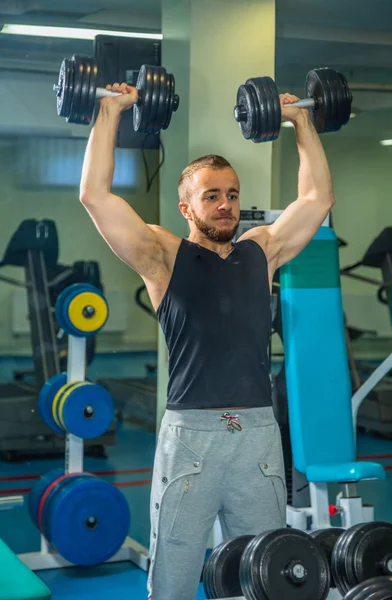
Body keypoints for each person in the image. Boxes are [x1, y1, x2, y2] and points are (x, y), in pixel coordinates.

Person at [79, 81, 335, 600]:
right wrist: (109, 112)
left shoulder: (261, 252)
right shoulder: (163, 256)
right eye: (211, 196)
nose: (225, 205)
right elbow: (95, 196)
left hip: (259, 438)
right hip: (191, 438)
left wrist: (302, 123)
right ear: (186, 208)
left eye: (232, 195)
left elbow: (316, 198)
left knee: (266, 578)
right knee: (172, 581)